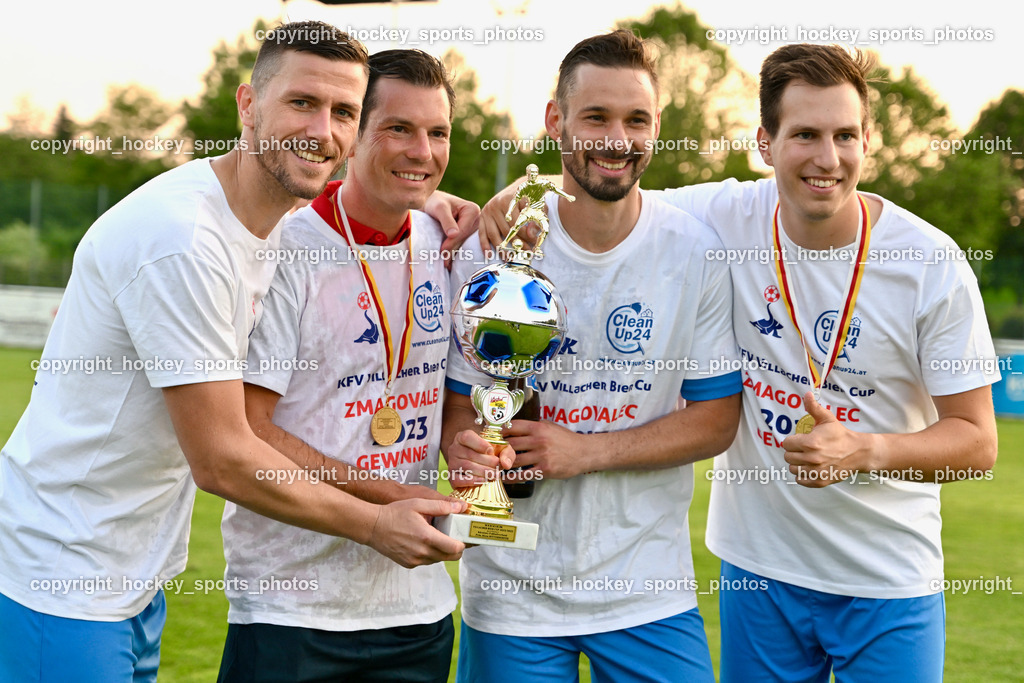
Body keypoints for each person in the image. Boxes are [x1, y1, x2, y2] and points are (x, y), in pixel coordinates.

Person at [479, 42, 1000, 682]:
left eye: (844, 135)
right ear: (765, 142)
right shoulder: (721, 217)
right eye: (804, 133)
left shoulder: (931, 263)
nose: (826, 158)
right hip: (758, 574)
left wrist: (866, 452)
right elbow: (610, 186)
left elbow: (977, 443)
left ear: (870, 138)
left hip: (887, 579)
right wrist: (521, 192)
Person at [0, 23, 467, 683]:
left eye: (343, 113)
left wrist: (439, 197)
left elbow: (367, 203)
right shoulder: (183, 239)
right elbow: (223, 457)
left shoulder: (262, 221)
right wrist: (374, 522)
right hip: (62, 574)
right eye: (301, 103)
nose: (322, 130)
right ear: (248, 106)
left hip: (135, 576)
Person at [442, 30, 741, 682]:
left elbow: (717, 418)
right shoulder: (498, 243)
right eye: (596, 117)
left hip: (647, 587)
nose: (617, 139)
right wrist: (464, 449)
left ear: (657, 126)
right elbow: (461, 406)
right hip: (512, 590)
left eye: (636, 119)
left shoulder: (694, 250)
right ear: (556, 120)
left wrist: (586, 451)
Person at [217, 48, 464, 683]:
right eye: (398, 129)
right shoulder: (287, 246)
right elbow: (249, 428)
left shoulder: (451, 242)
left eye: (437, 132)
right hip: (290, 607)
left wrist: (474, 456)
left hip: (418, 609)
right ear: (352, 134)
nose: (422, 151)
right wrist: (393, 498)